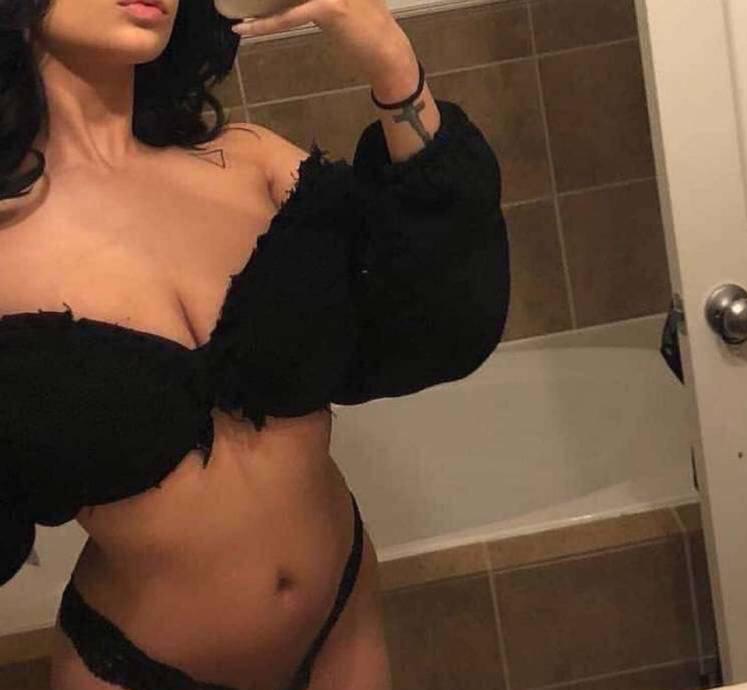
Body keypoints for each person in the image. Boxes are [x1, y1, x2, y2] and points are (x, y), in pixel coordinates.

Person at [0, 0, 510, 688]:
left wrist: (389, 57)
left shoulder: (248, 160)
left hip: (342, 620)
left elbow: (438, 317)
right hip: (137, 667)